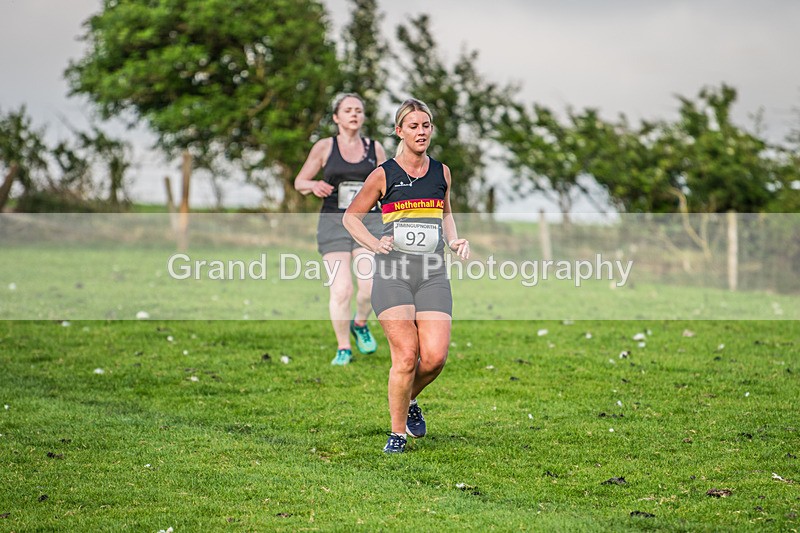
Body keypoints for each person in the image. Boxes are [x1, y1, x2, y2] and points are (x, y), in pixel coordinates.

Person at [343, 98, 470, 453]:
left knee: (435, 357)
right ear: (400, 131)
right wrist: (373, 243)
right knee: (406, 354)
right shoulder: (384, 173)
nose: (421, 132)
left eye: (426, 125)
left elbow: (445, 214)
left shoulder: (441, 172)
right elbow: (351, 217)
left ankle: (407, 399)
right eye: (413, 126)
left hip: (432, 273)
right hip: (393, 273)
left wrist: (454, 239)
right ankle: (397, 434)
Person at [294, 93, 387, 365]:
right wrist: (313, 186)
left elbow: (387, 184)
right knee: (341, 289)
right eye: (348, 110)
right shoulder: (325, 147)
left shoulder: (375, 149)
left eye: (358, 110)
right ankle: (344, 347)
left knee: (370, 287)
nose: (354, 114)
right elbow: (300, 180)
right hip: (333, 224)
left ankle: (359, 324)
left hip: (368, 223)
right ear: (336, 117)